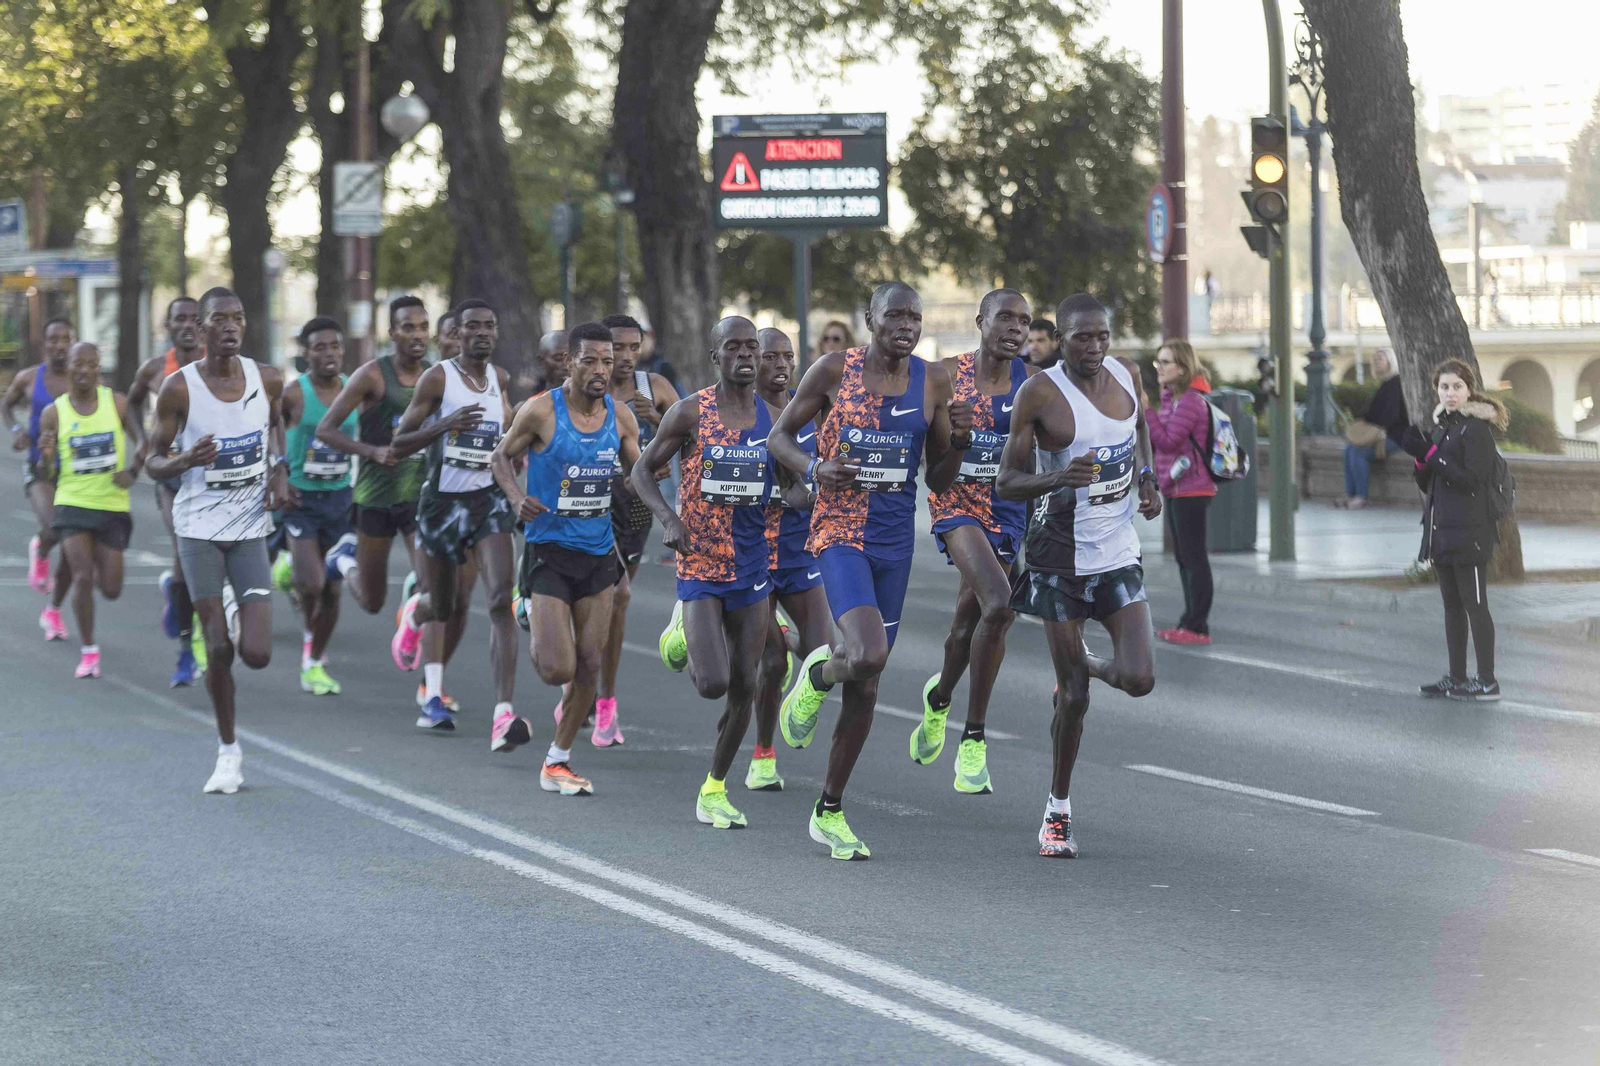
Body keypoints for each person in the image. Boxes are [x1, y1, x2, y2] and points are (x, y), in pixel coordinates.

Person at [768, 282, 962, 860]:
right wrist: (814, 468)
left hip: (893, 544)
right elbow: (779, 438)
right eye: (895, 314)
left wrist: (962, 439)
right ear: (870, 319)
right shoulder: (833, 370)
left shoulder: (934, 382)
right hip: (838, 534)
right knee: (869, 655)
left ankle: (829, 809)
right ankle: (819, 676)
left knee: (868, 682)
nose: (907, 324)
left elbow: (941, 480)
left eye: (915, 316)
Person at [997, 293, 1161, 858]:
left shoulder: (1124, 372)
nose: (1094, 348)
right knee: (1072, 698)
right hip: (1057, 557)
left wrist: (1146, 476)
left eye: (1101, 336)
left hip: (1116, 549)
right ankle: (1057, 810)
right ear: (1059, 339)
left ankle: (1088, 662)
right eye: (1081, 338)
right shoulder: (1040, 392)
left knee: (1139, 677)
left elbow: (1139, 430)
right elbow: (1007, 482)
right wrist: (1059, 477)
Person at [636, 316, 794, 830]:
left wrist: (790, 494)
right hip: (700, 559)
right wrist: (669, 519)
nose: (746, 356)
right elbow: (642, 471)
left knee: (745, 684)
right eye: (734, 348)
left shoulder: (775, 422)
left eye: (753, 347)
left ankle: (714, 787)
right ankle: (683, 623)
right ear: (716, 357)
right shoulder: (690, 413)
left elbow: (796, 488)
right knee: (711, 683)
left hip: (752, 562)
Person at [144, 287, 290, 794]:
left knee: (258, 654)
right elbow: (152, 460)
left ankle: (233, 603)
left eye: (238, 317)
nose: (230, 326)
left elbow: (276, 426)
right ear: (201, 329)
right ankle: (228, 751)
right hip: (199, 529)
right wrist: (185, 460)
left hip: (249, 527)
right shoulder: (179, 389)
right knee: (219, 649)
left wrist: (280, 469)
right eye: (218, 319)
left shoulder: (266, 378)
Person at [492, 322, 645, 795]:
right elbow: (501, 458)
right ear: (570, 362)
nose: (603, 368)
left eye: (608, 360)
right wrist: (518, 498)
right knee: (557, 669)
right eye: (592, 360)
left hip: (598, 552)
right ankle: (529, 610)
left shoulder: (621, 418)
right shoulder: (540, 412)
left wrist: (667, 498)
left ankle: (557, 760)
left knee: (588, 665)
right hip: (549, 553)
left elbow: (637, 472)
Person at [318, 296, 473, 713]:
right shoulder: (372, 376)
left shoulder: (439, 377)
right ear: (392, 333)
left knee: (435, 589)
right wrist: (370, 451)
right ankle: (343, 560)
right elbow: (326, 429)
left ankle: (431, 685)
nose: (418, 335)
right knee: (370, 601)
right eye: (408, 327)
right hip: (373, 498)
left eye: (423, 327)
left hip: (419, 499)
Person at [915, 289, 1035, 795]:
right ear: (980, 320)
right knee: (999, 605)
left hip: (1006, 509)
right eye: (1004, 318)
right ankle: (974, 738)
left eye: (1023, 322)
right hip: (956, 504)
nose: (1014, 328)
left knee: (970, 625)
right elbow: (921, 449)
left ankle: (939, 698)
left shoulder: (1032, 383)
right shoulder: (944, 375)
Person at [390, 299, 516, 733]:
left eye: (489, 325)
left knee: (500, 598)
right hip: (442, 505)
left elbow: (506, 433)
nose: (482, 332)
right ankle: (416, 614)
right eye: (472, 326)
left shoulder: (500, 378)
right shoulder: (437, 378)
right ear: (457, 334)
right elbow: (399, 444)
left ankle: (503, 714)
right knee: (443, 605)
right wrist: (446, 425)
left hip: (489, 502)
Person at [588, 312, 680, 745]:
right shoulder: (587, 388)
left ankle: (587, 691)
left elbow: (697, 440)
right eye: (616, 348)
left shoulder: (655, 389)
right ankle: (603, 700)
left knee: (608, 605)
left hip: (637, 509)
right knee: (617, 593)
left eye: (632, 347)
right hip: (590, 506)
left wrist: (658, 422)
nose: (625, 357)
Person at [748, 326, 832, 792]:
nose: (781, 365)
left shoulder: (812, 409)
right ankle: (763, 754)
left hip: (801, 550)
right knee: (773, 663)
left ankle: (795, 700)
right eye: (770, 357)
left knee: (823, 654)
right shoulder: (737, 412)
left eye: (788, 357)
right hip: (752, 553)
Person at [1401, 358, 1506, 703]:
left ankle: (1487, 680)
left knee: (1476, 605)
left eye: (1457, 387)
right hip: (1442, 530)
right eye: (1444, 387)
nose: (1450, 393)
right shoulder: (1443, 426)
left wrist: (1431, 453)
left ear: (1469, 389)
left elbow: (1471, 480)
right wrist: (1420, 457)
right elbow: (1428, 480)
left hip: (1471, 532)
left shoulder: (1476, 430)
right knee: (1451, 606)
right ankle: (1456, 677)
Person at [35, 342, 142, 677]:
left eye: (90, 364)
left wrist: (134, 471)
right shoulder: (54, 412)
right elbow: (47, 473)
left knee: (111, 589)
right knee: (83, 577)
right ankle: (89, 650)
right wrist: (48, 457)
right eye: (76, 365)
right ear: (68, 369)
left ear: (99, 368)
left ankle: (71, 569)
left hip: (111, 505)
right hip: (71, 504)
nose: (82, 371)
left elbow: (146, 441)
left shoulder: (118, 403)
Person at [271, 318, 358, 695]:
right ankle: (311, 654)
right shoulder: (294, 394)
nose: (328, 354)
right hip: (300, 500)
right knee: (312, 583)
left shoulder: (355, 391)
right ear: (305, 354)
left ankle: (314, 656)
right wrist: (281, 472)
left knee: (332, 591)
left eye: (334, 346)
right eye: (319, 347)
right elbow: (270, 430)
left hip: (340, 499)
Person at [129, 297, 206, 685]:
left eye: (195, 319)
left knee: (205, 565)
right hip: (173, 478)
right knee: (184, 559)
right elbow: (131, 403)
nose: (188, 326)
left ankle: (180, 600)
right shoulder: (156, 369)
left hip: (212, 477)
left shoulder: (222, 366)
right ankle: (186, 652)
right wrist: (143, 444)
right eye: (180, 320)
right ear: (169, 326)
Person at [5, 317, 76, 632]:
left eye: (65, 339)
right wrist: (18, 429)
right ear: (44, 343)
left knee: (75, 543)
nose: (59, 345)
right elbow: (5, 407)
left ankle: (54, 610)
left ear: (72, 342)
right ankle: (42, 546)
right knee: (57, 525)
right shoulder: (29, 378)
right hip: (39, 467)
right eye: (53, 339)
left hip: (76, 472)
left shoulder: (83, 380)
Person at [1146, 339, 1217, 646]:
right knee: (1184, 558)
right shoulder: (1174, 399)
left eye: (1165, 362)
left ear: (1183, 368)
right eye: (1157, 362)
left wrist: (1147, 412)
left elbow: (1169, 441)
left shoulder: (1190, 401)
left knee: (1193, 557)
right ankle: (1189, 620)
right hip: (1177, 487)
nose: (1159, 368)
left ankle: (1198, 625)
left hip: (1192, 488)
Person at [1339, 348, 1409, 509]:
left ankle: (1361, 497)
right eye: (1374, 360)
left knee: (1358, 452)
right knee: (1349, 449)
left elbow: (1392, 416)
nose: (1376, 363)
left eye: (1380, 359)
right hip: (1380, 434)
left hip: (1395, 436)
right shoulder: (1384, 385)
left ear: (1390, 362)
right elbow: (1372, 415)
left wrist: (1374, 428)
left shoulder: (1396, 384)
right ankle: (1350, 495)